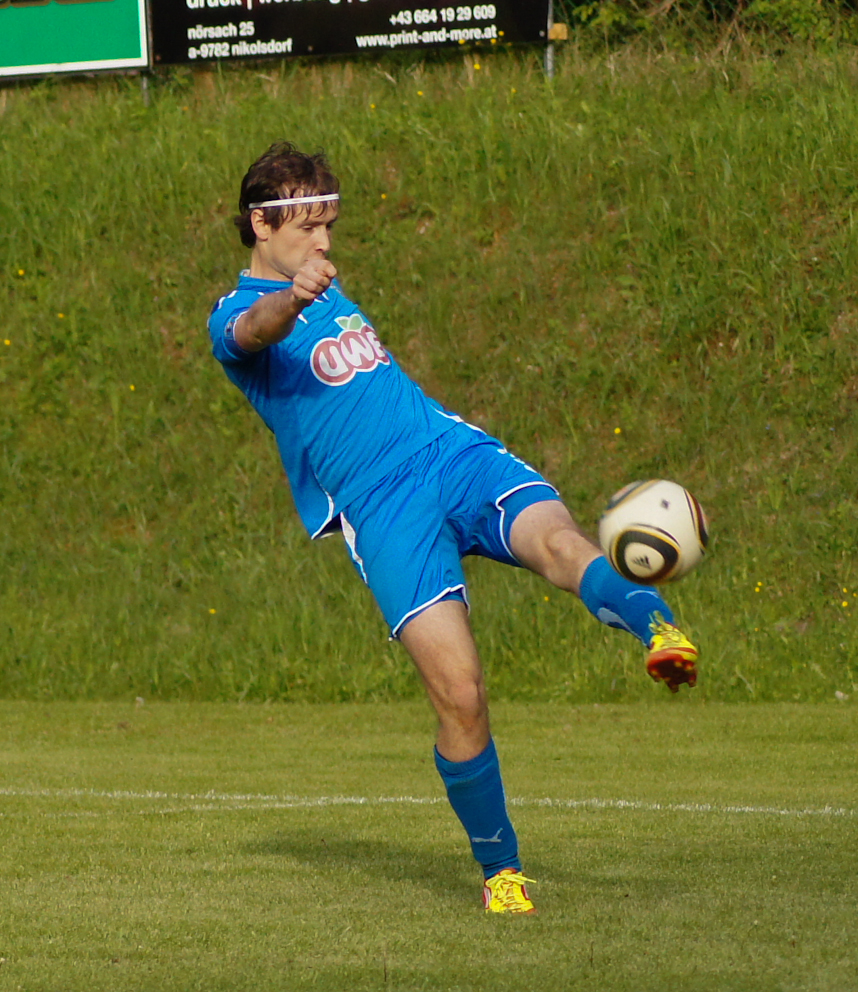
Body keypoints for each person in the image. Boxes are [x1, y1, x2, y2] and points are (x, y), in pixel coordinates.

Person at [208, 142, 699, 915]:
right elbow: (253, 331)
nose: (326, 242)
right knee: (460, 694)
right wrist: (292, 299)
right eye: (308, 227)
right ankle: (502, 874)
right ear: (261, 225)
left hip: (451, 451)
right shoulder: (237, 315)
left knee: (560, 542)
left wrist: (308, 284)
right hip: (383, 508)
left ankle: (659, 629)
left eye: (330, 225)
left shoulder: (324, 280)